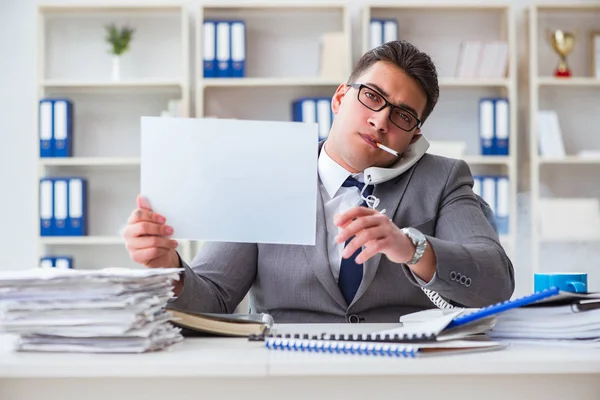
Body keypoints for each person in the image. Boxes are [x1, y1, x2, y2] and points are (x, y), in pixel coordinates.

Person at [123, 40, 514, 323]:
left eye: (403, 116)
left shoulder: (442, 178)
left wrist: (411, 247)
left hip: (401, 374)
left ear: (413, 136)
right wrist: (168, 268)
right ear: (341, 98)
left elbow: (495, 281)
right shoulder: (269, 174)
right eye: (372, 97)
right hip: (287, 372)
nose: (381, 121)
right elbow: (215, 298)